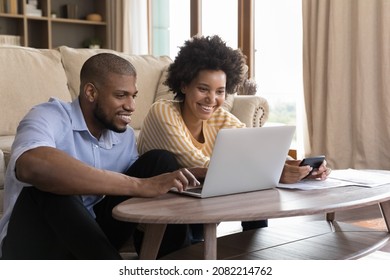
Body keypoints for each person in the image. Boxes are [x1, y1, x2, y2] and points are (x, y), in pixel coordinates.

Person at [0, 53, 200, 260]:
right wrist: (140, 185)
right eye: (121, 95)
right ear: (91, 92)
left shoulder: (124, 136)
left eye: (134, 96)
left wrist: (191, 175)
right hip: (37, 246)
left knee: (161, 161)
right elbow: (31, 166)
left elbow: (140, 183)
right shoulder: (48, 116)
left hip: (92, 238)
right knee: (48, 187)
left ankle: (174, 265)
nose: (131, 106)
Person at [137, 35, 330, 241]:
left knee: (253, 178)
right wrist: (273, 172)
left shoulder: (219, 117)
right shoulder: (162, 112)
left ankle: (255, 247)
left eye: (220, 91)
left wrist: (301, 167)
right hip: (158, 226)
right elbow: (200, 165)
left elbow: (256, 147)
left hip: (196, 210)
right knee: (248, 175)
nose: (212, 99)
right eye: (203, 89)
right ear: (184, 86)